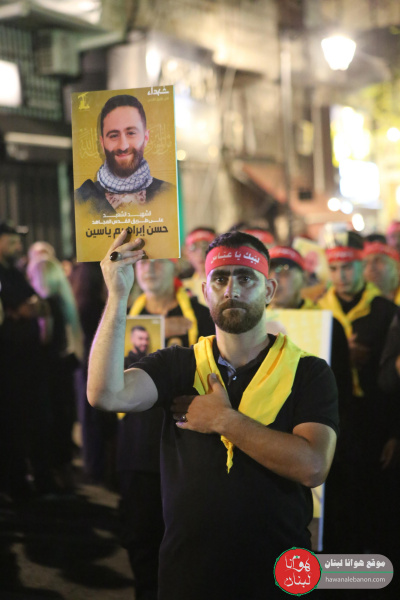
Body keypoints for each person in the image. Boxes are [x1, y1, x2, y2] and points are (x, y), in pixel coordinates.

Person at [87, 229, 338, 600]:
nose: (231, 289)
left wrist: (224, 420)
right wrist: (118, 295)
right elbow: (106, 394)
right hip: (188, 577)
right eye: (220, 278)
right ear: (205, 291)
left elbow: (312, 466)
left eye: (246, 278)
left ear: (269, 290)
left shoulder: (308, 371)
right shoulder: (177, 364)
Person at [118, 256, 214, 600]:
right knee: (141, 539)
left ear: (177, 267)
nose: (149, 268)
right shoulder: (121, 315)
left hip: (190, 446)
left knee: (191, 540)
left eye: (159, 260)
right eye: (142, 262)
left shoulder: (202, 315)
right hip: (138, 448)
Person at [317, 230, 398, 557]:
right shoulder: (316, 310)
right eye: (334, 269)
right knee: (338, 502)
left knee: (376, 502)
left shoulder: (385, 310)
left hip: (376, 419)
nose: (342, 276)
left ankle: (373, 572)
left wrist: (395, 432)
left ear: (361, 265)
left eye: (348, 267)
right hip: (333, 418)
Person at [0, 222, 58, 499]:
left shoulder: (14, 272)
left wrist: (28, 309)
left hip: (28, 365)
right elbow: (28, 307)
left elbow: (37, 306)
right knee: (13, 427)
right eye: (12, 241)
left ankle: (31, 482)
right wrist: (26, 309)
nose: (18, 246)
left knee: (32, 424)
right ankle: (16, 486)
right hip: (10, 367)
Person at [75, 94, 173, 214]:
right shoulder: (81, 199)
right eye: (114, 136)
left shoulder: (169, 194)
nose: (123, 146)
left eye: (131, 133)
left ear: (146, 138)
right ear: (102, 143)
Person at [182, 227, 216, 305]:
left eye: (206, 246)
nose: (200, 253)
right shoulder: (183, 286)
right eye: (193, 247)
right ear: (186, 253)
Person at [363, 234, 400, 304]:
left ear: (394, 265)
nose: (371, 268)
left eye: (378, 260)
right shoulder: (363, 303)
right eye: (366, 263)